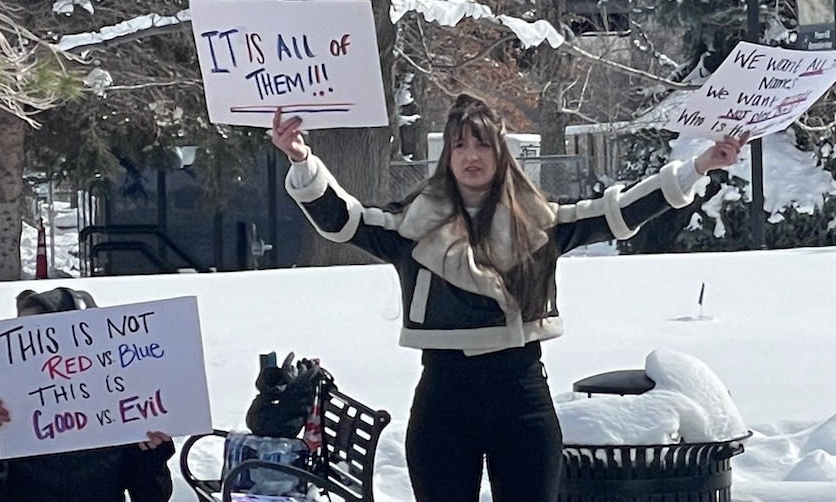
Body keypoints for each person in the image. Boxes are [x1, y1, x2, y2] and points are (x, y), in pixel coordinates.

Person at [269, 94, 746, 502]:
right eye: (460, 145)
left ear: (501, 153)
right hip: (444, 397)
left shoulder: (541, 222)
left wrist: (700, 165)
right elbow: (343, 220)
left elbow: (617, 213)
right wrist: (300, 160)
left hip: (520, 396)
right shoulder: (409, 227)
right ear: (446, 157)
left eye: (482, 143)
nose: (471, 155)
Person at [0, 287, 175, 502]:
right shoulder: (10, 410)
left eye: (35, 333)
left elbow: (153, 496)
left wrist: (150, 455)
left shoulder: (119, 408)